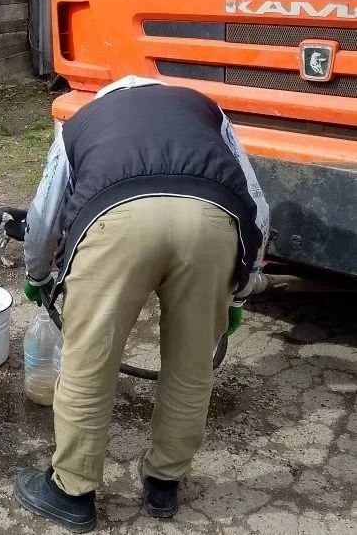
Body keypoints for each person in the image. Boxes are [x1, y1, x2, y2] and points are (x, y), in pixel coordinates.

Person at [15, 76, 269, 532]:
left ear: (112, 97)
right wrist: (242, 287)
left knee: (89, 363)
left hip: (116, 220)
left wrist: (37, 274)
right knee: (192, 366)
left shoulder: (81, 121)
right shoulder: (206, 109)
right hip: (210, 222)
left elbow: (43, 214)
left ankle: (72, 491)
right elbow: (257, 203)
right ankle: (163, 485)